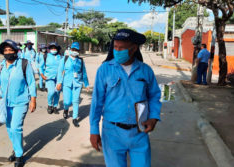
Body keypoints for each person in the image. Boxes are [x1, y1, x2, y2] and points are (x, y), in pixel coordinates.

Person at [89, 29, 161, 167]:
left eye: (121, 48)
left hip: (139, 132)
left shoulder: (145, 71)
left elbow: (154, 96)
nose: (117, 51)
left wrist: (154, 118)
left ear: (133, 48)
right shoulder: (105, 69)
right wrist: (94, 130)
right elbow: (97, 101)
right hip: (112, 133)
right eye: (115, 47)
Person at [0, 39, 36, 167]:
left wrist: (33, 100)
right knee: (9, 128)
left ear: (16, 51)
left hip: (21, 101)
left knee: (16, 127)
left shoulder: (24, 63)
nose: (8, 52)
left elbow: (31, 82)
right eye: (5, 50)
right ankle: (17, 148)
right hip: (4, 102)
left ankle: (19, 155)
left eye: (11, 50)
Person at [56, 42, 89, 127]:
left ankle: (74, 118)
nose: (75, 51)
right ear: (70, 50)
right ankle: (66, 109)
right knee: (67, 101)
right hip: (67, 83)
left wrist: (86, 84)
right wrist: (59, 82)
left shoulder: (80, 60)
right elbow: (60, 72)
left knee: (75, 101)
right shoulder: (65, 59)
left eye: (77, 50)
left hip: (78, 83)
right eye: (73, 49)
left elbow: (84, 72)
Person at [39, 42, 62, 114]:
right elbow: (40, 66)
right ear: (49, 49)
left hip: (58, 78)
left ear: (57, 49)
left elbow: (63, 68)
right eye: (52, 48)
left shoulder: (61, 57)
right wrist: (42, 75)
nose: (53, 49)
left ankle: (55, 106)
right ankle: (49, 105)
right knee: (51, 92)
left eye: (55, 48)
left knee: (57, 93)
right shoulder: (46, 56)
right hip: (49, 77)